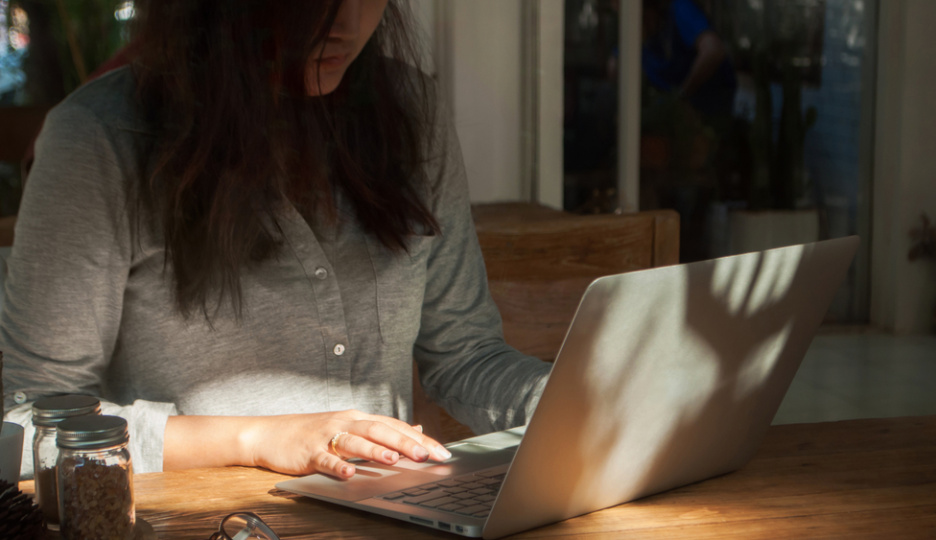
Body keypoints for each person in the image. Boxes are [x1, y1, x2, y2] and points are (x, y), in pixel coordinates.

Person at [1, 0, 550, 480]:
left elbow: (465, 354)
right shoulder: (100, 138)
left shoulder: (411, 112)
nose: (346, 21)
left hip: (390, 514)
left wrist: (577, 396)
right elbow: (25, 426)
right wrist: (257, 439)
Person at [641, 0, 736, 118]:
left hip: (708, 110)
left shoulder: (680, 10)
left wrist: (683, 95)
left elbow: (713, 51)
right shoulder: (642, 45)